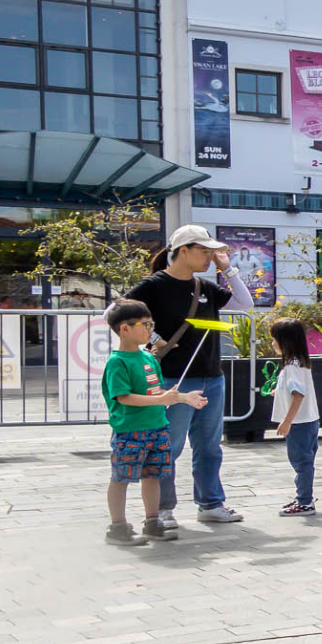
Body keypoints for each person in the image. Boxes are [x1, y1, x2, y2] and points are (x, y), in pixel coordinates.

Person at [125, 225, 254, 527]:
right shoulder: (154, 285)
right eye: (204, 251)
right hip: (172, 380)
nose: (210, 257)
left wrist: (227, 269)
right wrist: (153, 337)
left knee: (209, 446)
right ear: (183, 251)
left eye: (212, 251)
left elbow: (245, 303)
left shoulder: (205, 287)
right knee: (168, 445)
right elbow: (115, 313)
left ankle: (210, 503)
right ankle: (162, 509)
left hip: (211, 377)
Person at [99, 300, 204, 545]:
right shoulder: (117, 362)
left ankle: (152, 522)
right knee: (121, 478)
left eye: (151, 324)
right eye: (145, 325)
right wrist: (161, 399)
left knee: (153, 475)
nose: (150, 330)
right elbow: (124, 397)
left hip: (157, 427)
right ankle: (117, 527)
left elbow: (157, 393)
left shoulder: (148, 358)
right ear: (124, 328)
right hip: (130, 431)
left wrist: (183, 397)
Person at [269, 318, 321, 517]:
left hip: (299, 423)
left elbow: (299, 395)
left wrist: (287, 421)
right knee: (305, 462)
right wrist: (279, 391)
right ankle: (303, 498)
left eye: (274, 339)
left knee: (301, 463)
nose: (272, 343)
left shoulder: (292, 366)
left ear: (285, 342)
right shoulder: (300, 363)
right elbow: (295, 389)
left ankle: (305, 502)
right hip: (309, 420)